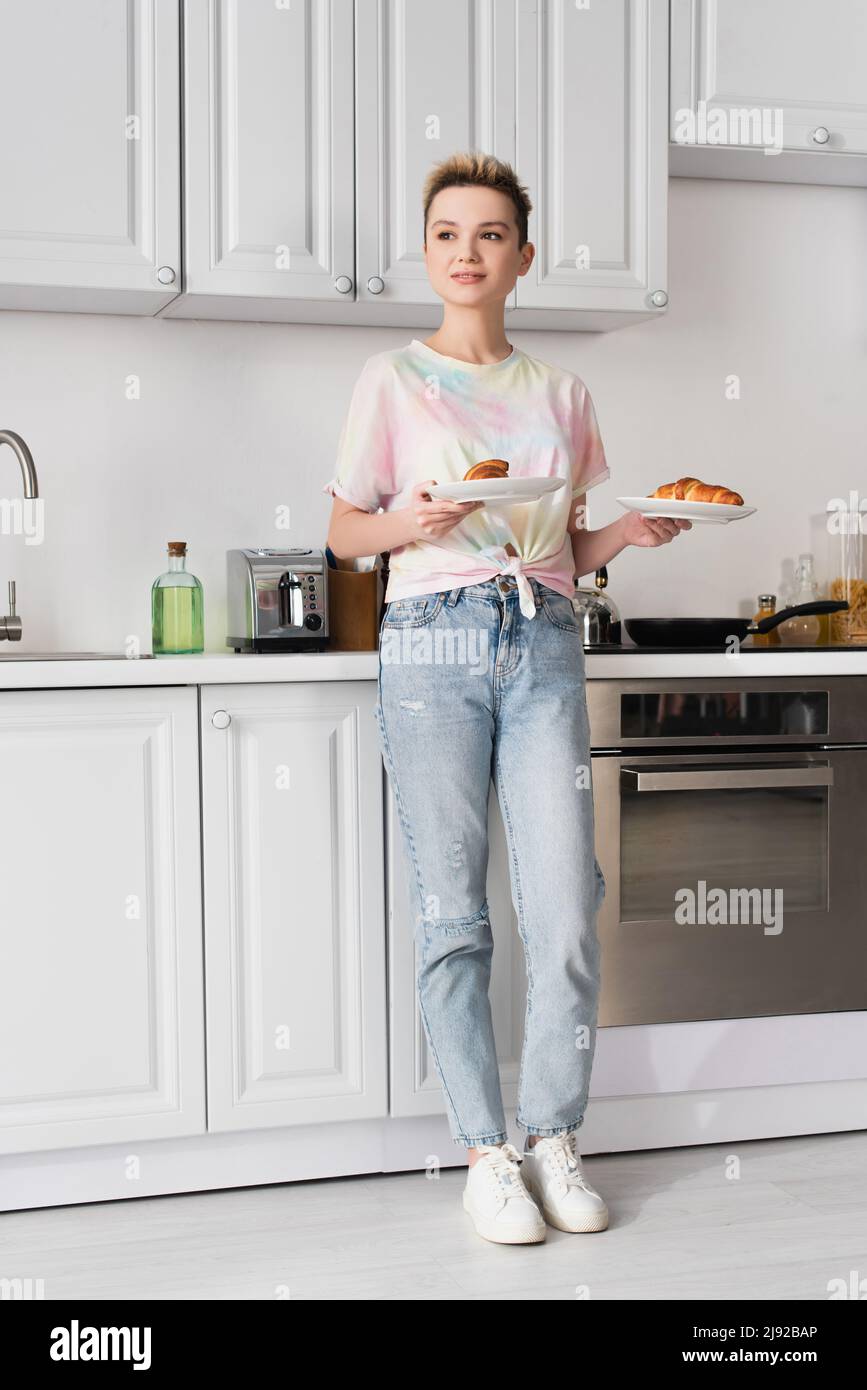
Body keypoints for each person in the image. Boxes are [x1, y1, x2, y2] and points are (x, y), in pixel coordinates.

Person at [324, 151, 690, 1245]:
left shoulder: (563, 395)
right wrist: (413, 523)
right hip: (432, 639)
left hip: (543, 641)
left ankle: (553, 1135)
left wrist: (624, 533)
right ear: (426, 254)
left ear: (523, 257)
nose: (466, 251)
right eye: (446, 233)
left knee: (564, 908)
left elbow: (562, 545)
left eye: (489, 234)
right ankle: (486, 1151)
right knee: (454, 915)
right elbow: (345, 532)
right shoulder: (390, 380)